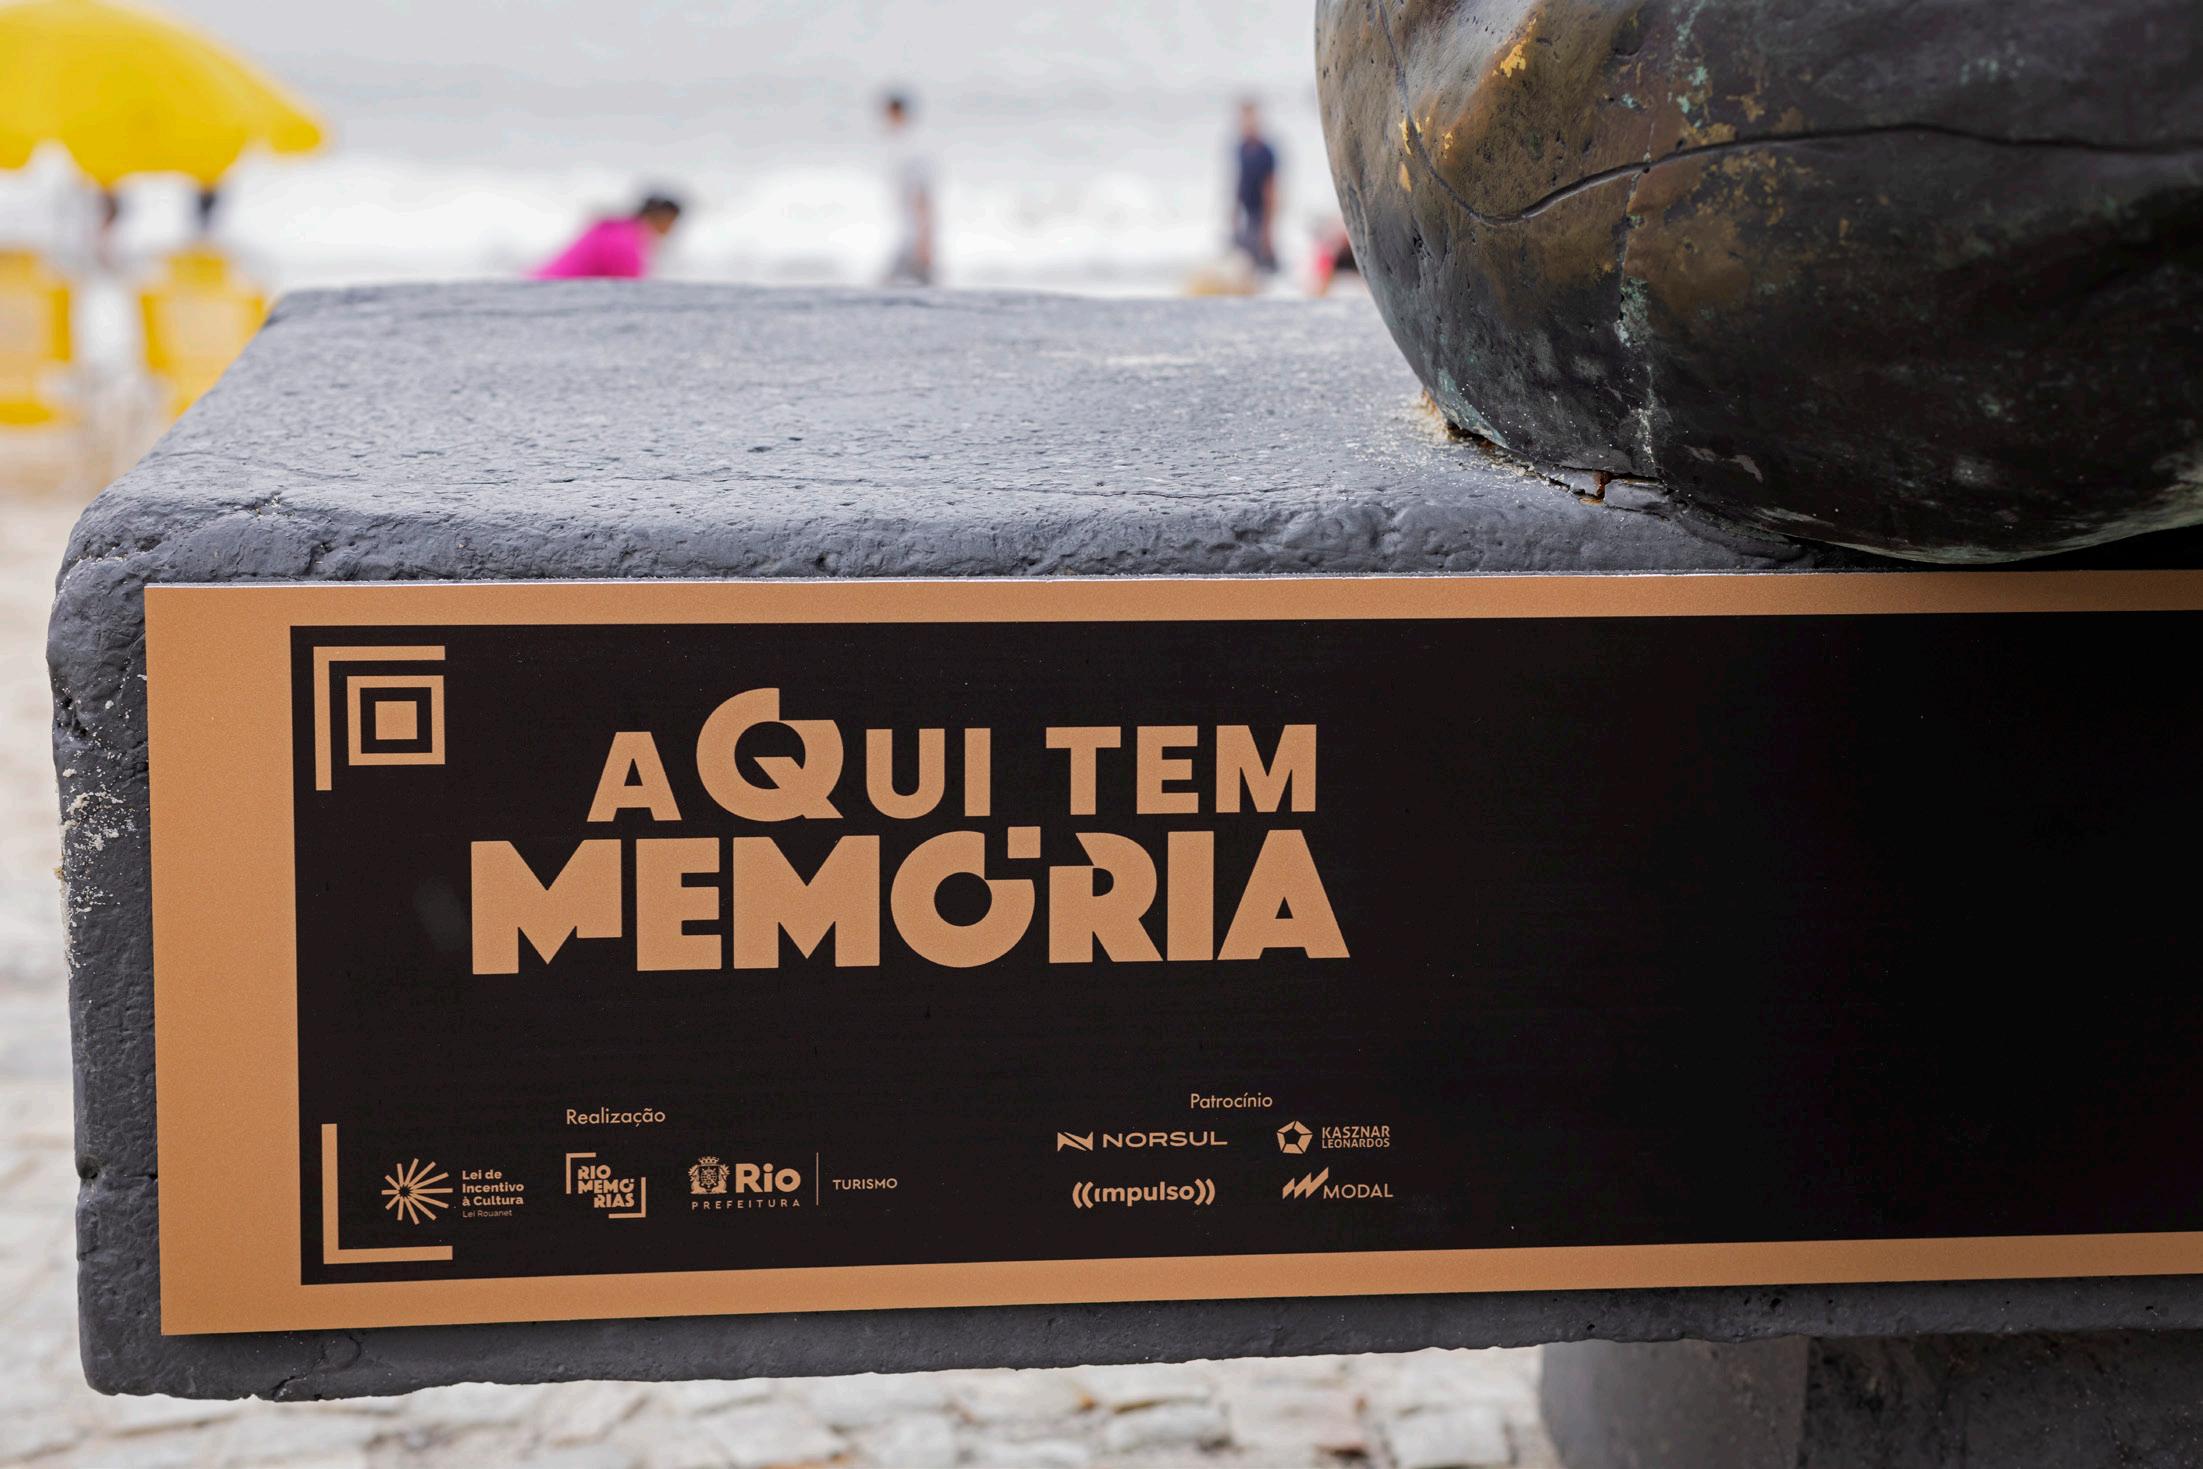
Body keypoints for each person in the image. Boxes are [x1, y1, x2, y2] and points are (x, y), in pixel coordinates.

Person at [531, 194, 683, 281]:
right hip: (551, 293)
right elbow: (632, 290)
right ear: (661, 216)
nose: (672, 228)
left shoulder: (617, 231)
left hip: (542, 287)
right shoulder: (623, 241)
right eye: (672, 221)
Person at [881, 92, 935, 286]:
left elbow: (922, 195)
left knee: (888, 285)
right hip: (909, 233)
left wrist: (924, 241)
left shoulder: (912, 147)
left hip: (913, 236)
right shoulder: (900, 143)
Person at [1231, 99, 1279, 275]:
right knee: (1242, 255)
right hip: (1246, 211)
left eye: (1249, 118)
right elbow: (1239, 180)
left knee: (1262, 259)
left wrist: (1267, 230)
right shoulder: (1241, 148)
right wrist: (1234, 212)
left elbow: (1271, 189)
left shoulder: (1265, 151)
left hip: (1261, 213)